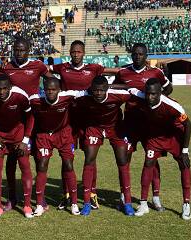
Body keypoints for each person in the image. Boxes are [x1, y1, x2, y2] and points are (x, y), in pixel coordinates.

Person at [50, 40, 119, 210]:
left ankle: (92, 193)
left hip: (89, 121)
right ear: (70, 52)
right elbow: (45, 71)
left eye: (79, 52)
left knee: (90, 157)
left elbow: (114, 71)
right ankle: (66, 193)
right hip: (69, 121)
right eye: (73, 52)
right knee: (67, 159)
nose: (76, 54)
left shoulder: (93, 68)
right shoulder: (63, 68)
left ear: (83, 53)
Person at [113, 43, 173, 211]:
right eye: (135, 54)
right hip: (130, 124)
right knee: (125, 159)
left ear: (146, 56)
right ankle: (124, 196)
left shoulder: (156, 72)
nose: (137, 56)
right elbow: (115, 89)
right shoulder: (123, 72)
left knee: (152, 160)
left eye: (141, 54)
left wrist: (157, 102)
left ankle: (155, 197)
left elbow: (169, 87)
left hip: (150, 125)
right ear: (131, 55)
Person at [0, 37, 54, 210]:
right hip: (15, 120)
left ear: (28, 50)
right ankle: (12, 197)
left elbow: (52, 81)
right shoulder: (7, 68)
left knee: (39, 157)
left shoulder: (38, 66)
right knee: (12, 159)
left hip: (36, 117)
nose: (19, 53)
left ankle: (40, 197)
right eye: (16, 50)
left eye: (22, 50)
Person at [129, 78, 191, 220]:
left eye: (153, 94)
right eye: (147, 94)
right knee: (148, 164)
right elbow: (127, 88)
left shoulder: (173, 106)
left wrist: (185, 151)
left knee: (184, 164)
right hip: (155, 138)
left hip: (173, 137)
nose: (150, 97)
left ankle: (186, 204)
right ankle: (143, 203)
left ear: (160, 93)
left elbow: (188, 124)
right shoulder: (141, 96)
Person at [75, 76, 134, 216]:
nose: (98, 94)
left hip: (115, 128)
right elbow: (72, 98)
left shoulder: (119, 95)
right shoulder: (83, 95)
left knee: (122, 161)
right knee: (89, 159)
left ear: (107, 89)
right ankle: (87, 202)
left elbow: (132, 91)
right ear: (91, 89)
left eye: (102, 90)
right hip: (94, 128)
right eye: (95, 90)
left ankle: (128, 202)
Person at [0, 74, 34, 219]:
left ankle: (27, 205)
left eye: (5, 88)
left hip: (18, 135)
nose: (2, 92)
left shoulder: (21, 96)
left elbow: (30, 117)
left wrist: (26, 140)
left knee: (24, 166)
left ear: (10, 87)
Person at [30, 77, 85, 217]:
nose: (50, 92)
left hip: (63, 134)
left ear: (59, 90)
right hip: (44, 136)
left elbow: (86, 93)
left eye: (54, 90)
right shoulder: (36, 100)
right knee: (42, 165)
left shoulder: (67, 97)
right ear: (44, 89)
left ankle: (73, 203)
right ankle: (39, 204)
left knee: (68, 165)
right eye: (48, 89)